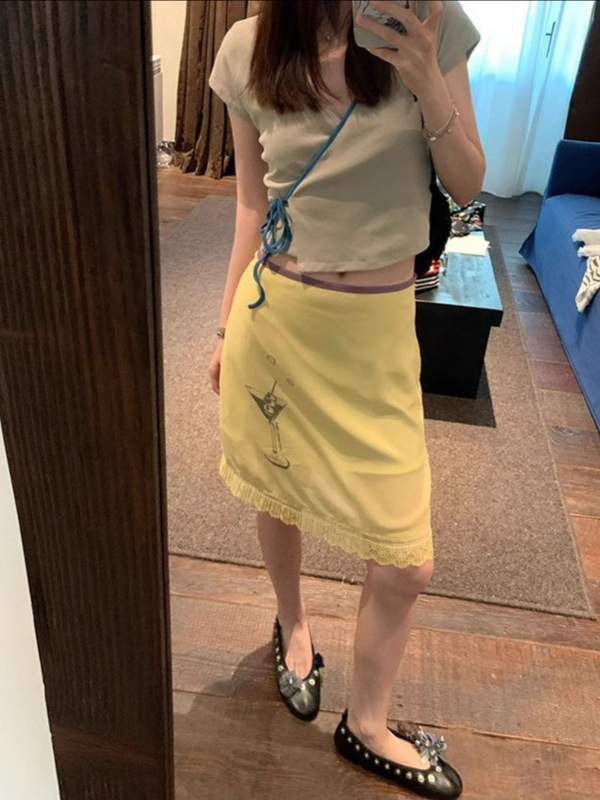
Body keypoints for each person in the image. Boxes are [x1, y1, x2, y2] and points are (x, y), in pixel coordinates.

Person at [208, 1, 484, 797]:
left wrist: (426, 76)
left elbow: (468, 184)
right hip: (277, 324)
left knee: (407, 559)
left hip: (375, 335)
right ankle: (293, 627)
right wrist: (224, 329)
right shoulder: (248, 48)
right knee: (279, 491)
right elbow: (251, 207)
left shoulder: (434, 23)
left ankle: (366, 722)